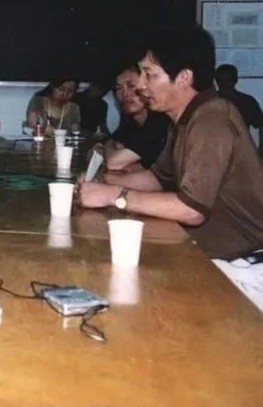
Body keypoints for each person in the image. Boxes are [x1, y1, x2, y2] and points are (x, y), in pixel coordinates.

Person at [78, 25, 263, 264]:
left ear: (184, 77)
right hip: (211, 249)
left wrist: (114, 195)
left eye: (149, 74)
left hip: (243, 262)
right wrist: (100, 182)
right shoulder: (182, 119)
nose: (141, 85)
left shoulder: (212, 120)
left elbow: (192, 210)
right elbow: (157, 179)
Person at [93, 62, 171, 172]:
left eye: (131, 86)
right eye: (119, 88)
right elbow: (111, 141)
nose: (125, 93)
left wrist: (110, 150)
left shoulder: (159, 120)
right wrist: (110, 147)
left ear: (145, 86)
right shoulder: (129, 118)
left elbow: (113, 162)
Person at [215, 64, 262, 156]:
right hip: (215, 152)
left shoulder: (247, 102)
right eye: (221, 80)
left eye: (228, 79)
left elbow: (261, 124)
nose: (224, 83)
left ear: (235, 80)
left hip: (241, 154)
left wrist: (260, 151)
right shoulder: (209, 102)